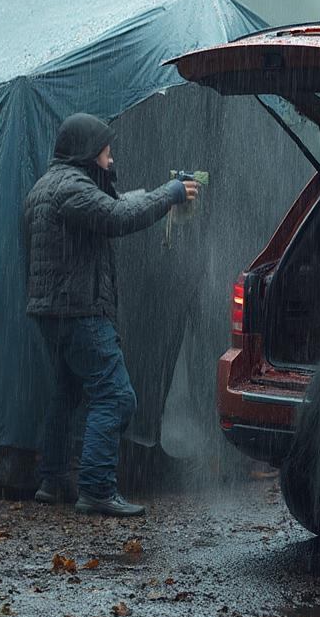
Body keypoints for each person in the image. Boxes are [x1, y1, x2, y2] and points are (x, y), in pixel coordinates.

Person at [23, 113, 198, 517]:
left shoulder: (47, 187)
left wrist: (162, 191)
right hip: (79, 310)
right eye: (106, 152)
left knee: (67, 394)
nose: (112, 159)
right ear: (87, 152)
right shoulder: (73, 189)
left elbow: (113, 205)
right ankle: (97, 488)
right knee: (116, 396)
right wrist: (169, 195)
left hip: (52, 312)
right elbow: (117, 217)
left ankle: (53, 479)